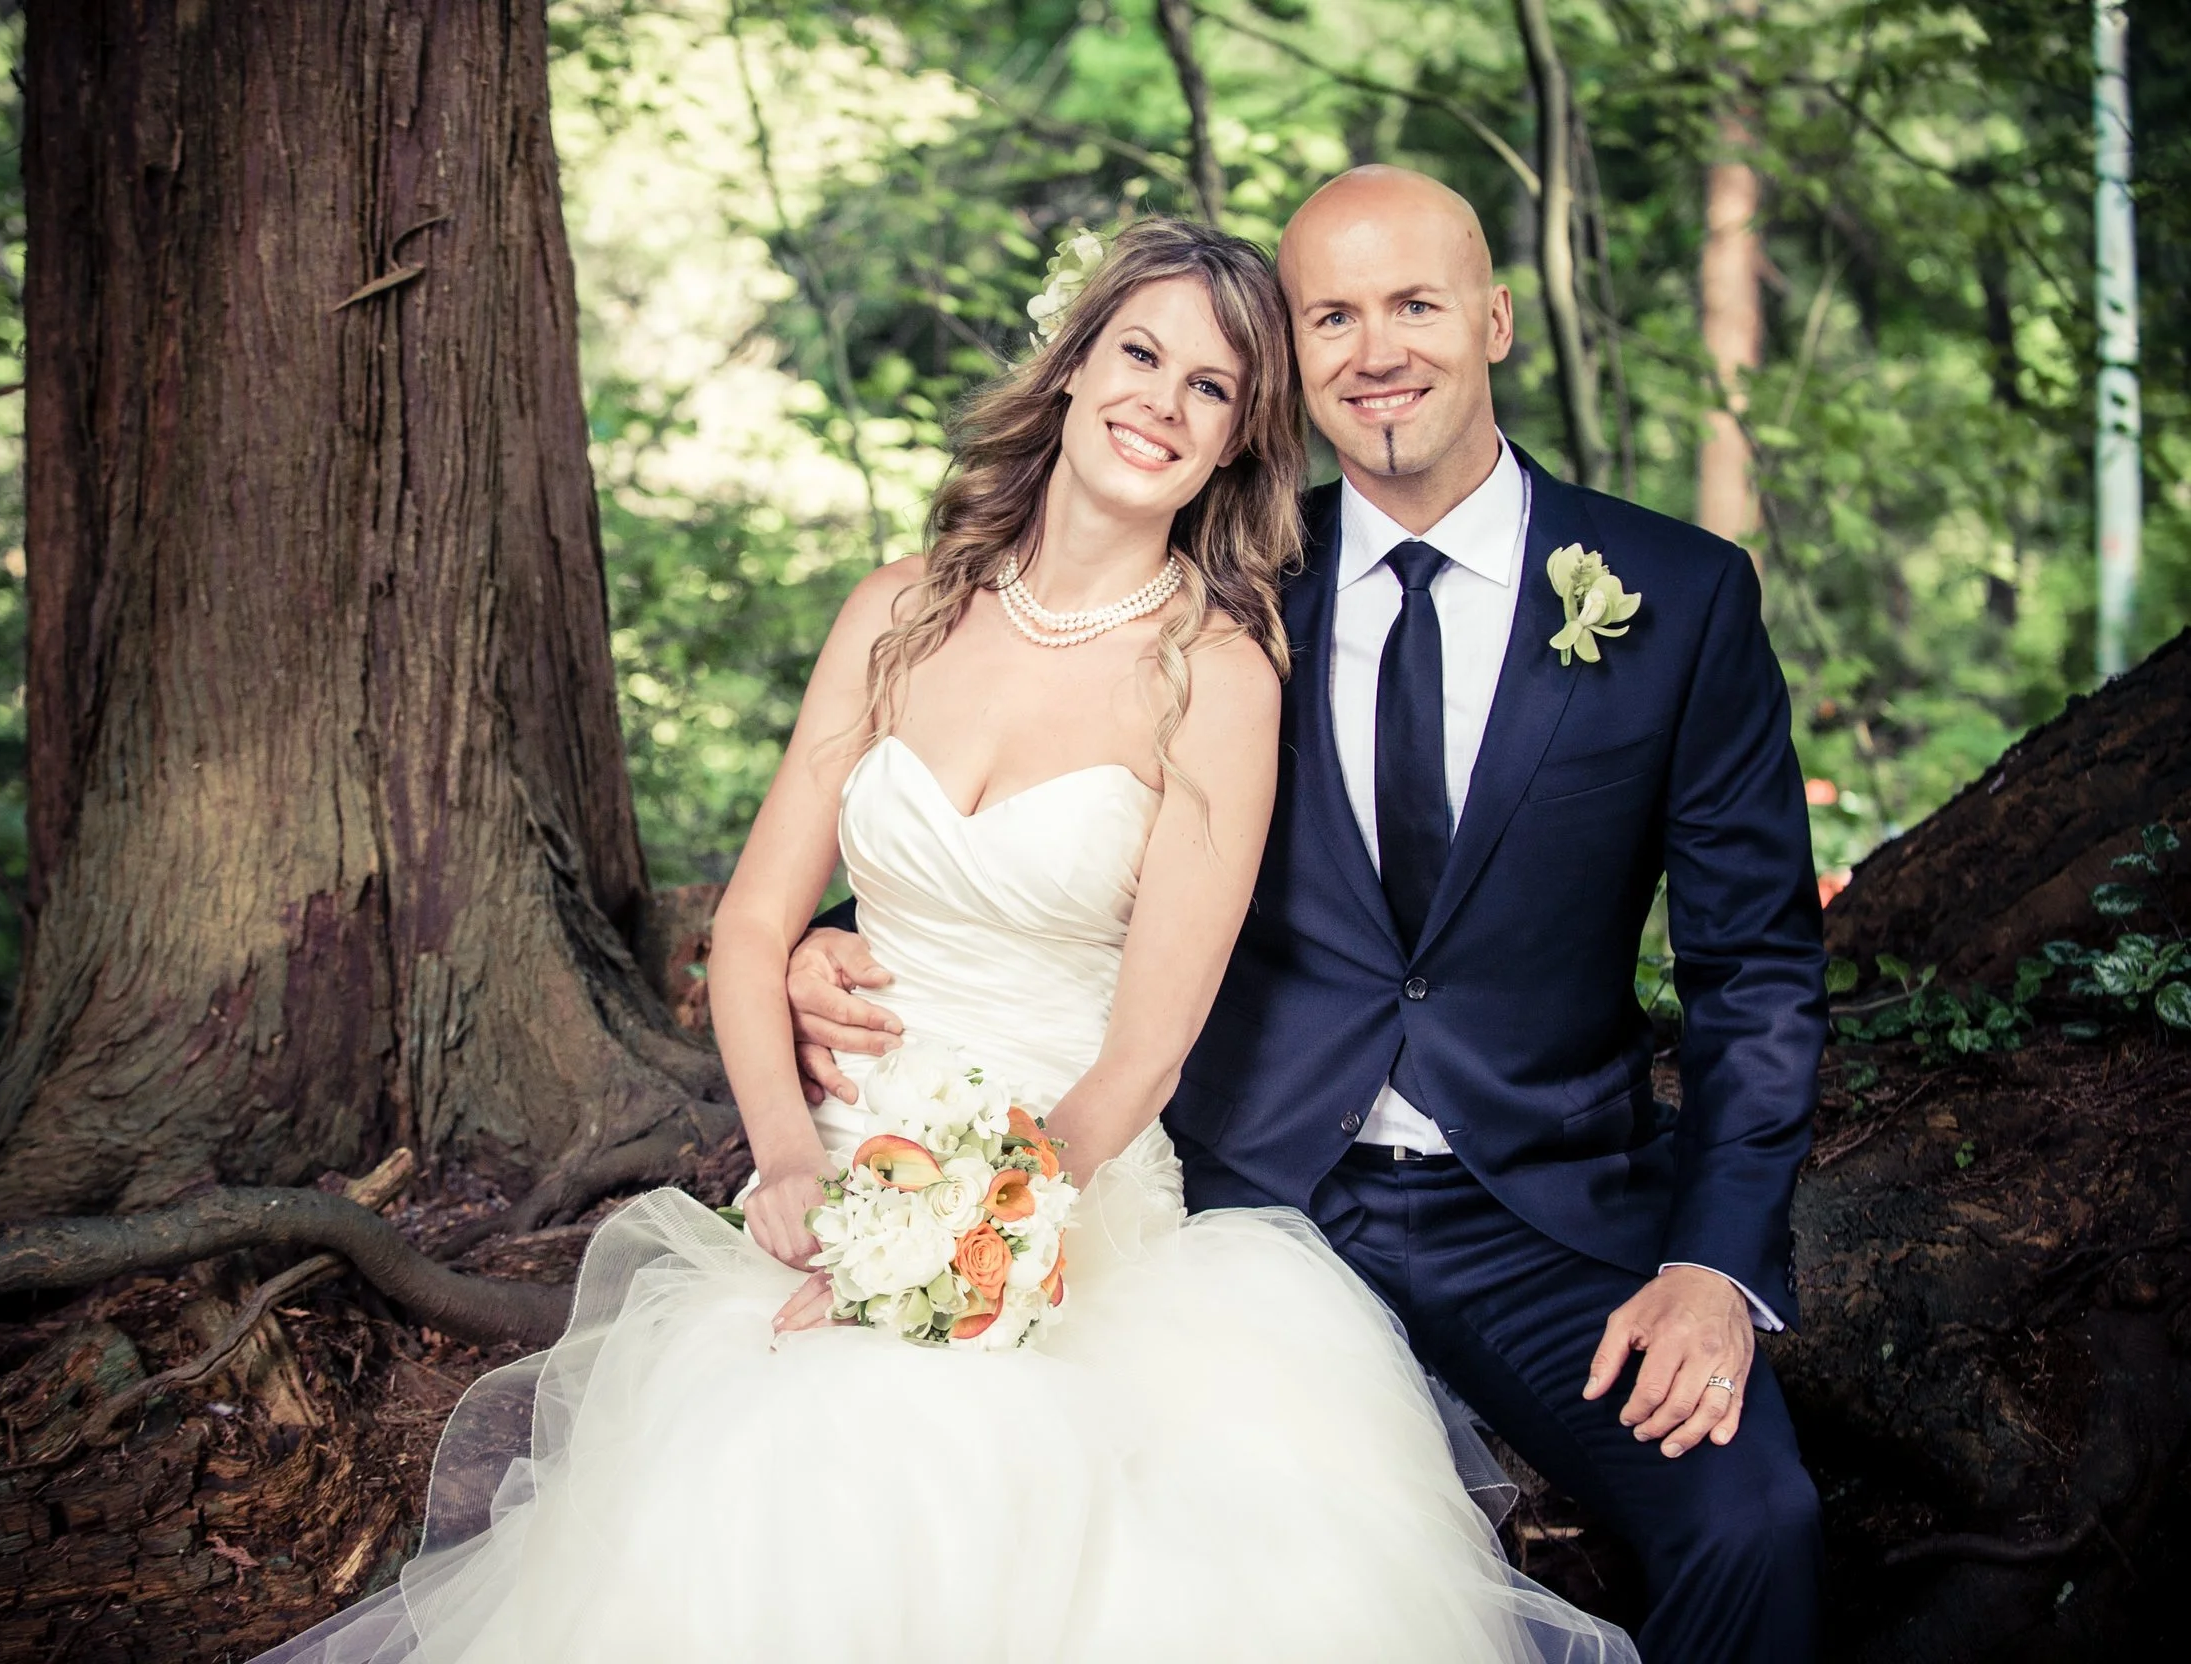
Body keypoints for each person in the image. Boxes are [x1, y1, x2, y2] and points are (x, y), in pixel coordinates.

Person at [257, 217, 1632, 1663]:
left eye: (1213, 389)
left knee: (958, 1472)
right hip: (843, 1165)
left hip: (1068, 1196)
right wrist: (792, 1165)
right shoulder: (895, 616)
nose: (1163, 402)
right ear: (1072, 367)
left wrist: (966, 1252)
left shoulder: (1218, 673)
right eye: (1140, 354)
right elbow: (750, 928)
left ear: (1240, 442)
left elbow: (1144, 1057)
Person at [795, 168, 1829, 1664]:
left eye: (1413, 304)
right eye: (1329, 316)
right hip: (1250, 1193)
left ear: (1496, 321)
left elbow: (1755, 976)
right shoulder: (1229, 578)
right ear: (1293, 360)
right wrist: (842, 926)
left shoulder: (1675, 596)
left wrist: (1716, 1265)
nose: (1375, 349)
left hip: (1542, 1219)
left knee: (1755, 1524)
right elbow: (1021, 777)